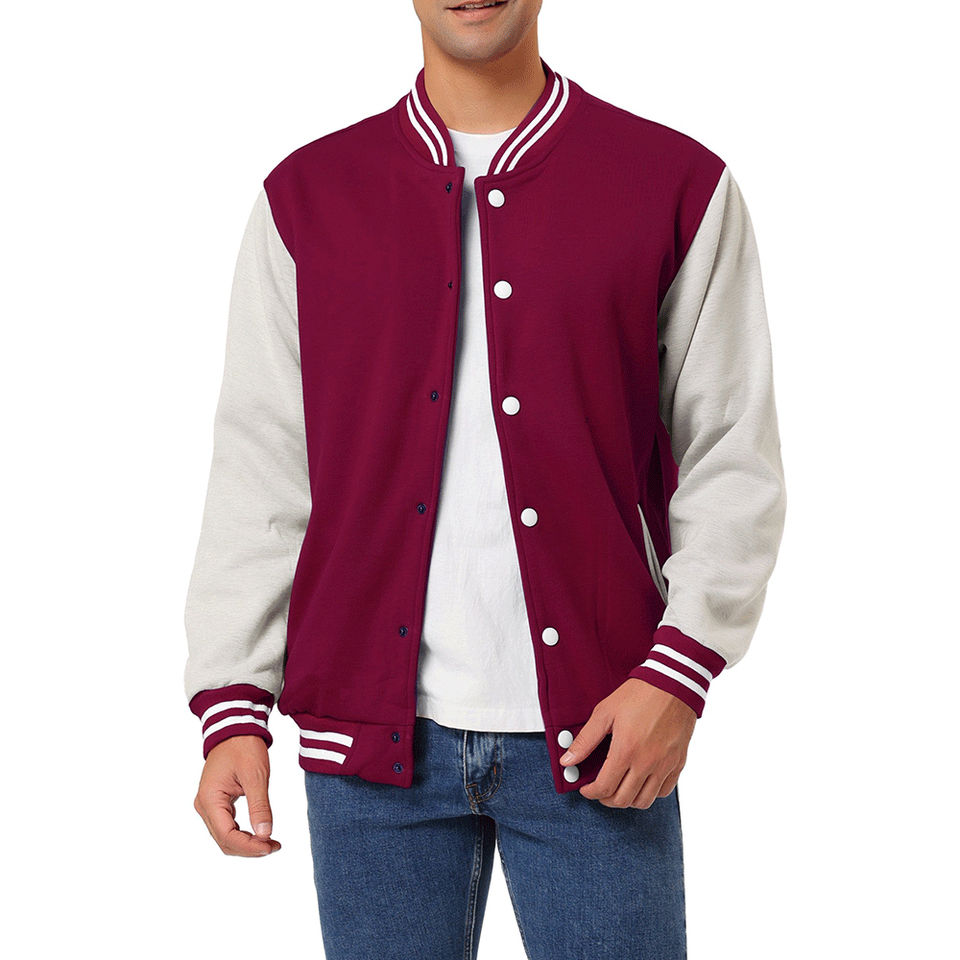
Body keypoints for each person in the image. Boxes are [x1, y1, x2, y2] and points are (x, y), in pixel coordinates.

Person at [183, 1, 787, 957]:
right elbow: (262, 467)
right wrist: (232, 706)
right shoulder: (307, 197)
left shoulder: (675, 184)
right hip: (366, 755)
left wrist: (680, 674)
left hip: (606, 730)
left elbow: (731, 454)